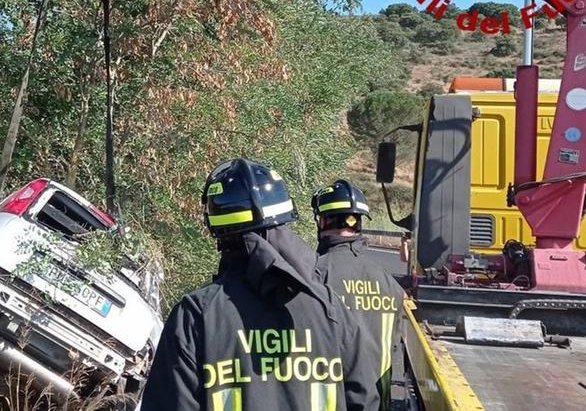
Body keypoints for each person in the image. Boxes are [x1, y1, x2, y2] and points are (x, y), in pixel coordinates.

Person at [142, 159, 380, 411]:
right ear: (284, 216)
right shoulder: (329, 308)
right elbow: (364, 401)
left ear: (218, 229)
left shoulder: (196, 316)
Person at [312, 179, 406, 411]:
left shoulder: (313, 275)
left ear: (323, 220)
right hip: (378, 403)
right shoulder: (389, 283)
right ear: (359, 223)